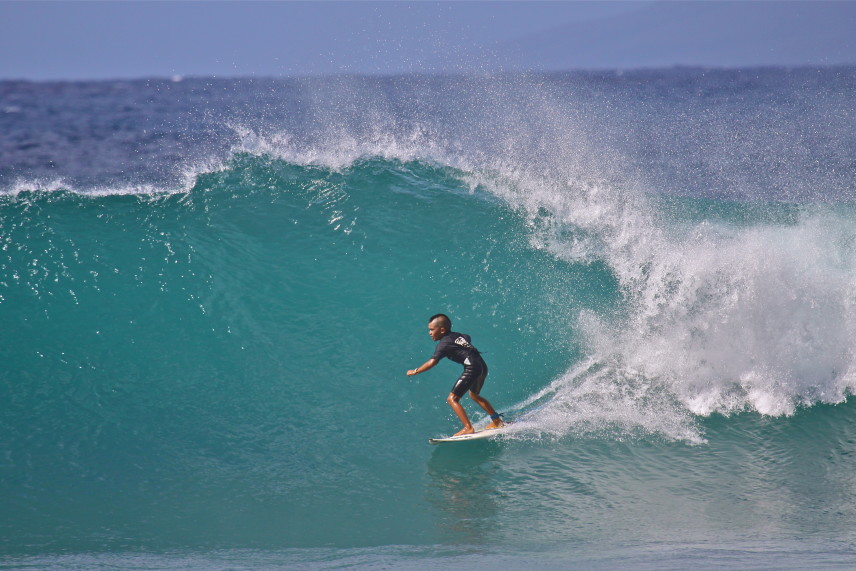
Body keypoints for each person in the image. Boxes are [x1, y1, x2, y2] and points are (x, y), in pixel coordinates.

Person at [407, 314, 504, 436]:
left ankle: (468, 427)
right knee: (474, 395)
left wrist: (415, 371)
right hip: (482, 366)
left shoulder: (443, 344)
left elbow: (432, 362)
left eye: (432, 330)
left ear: (442, 330)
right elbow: (467, 337)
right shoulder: (458, 335)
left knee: (452, 399)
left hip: (472, 368)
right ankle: (497, 421)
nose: (429, 333)